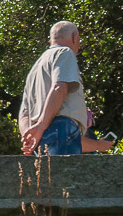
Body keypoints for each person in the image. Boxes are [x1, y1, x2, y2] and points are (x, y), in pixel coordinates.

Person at [18, 21, 114, 156]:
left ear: (51, 40)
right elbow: (59, 88)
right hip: (60, 128)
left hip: (42, 140)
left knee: (51, 176)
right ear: (75, 37)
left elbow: (23, 115)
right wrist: (40, 126)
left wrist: (29, 137)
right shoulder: (65, 52)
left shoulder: (35, 68)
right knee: (65, 176)